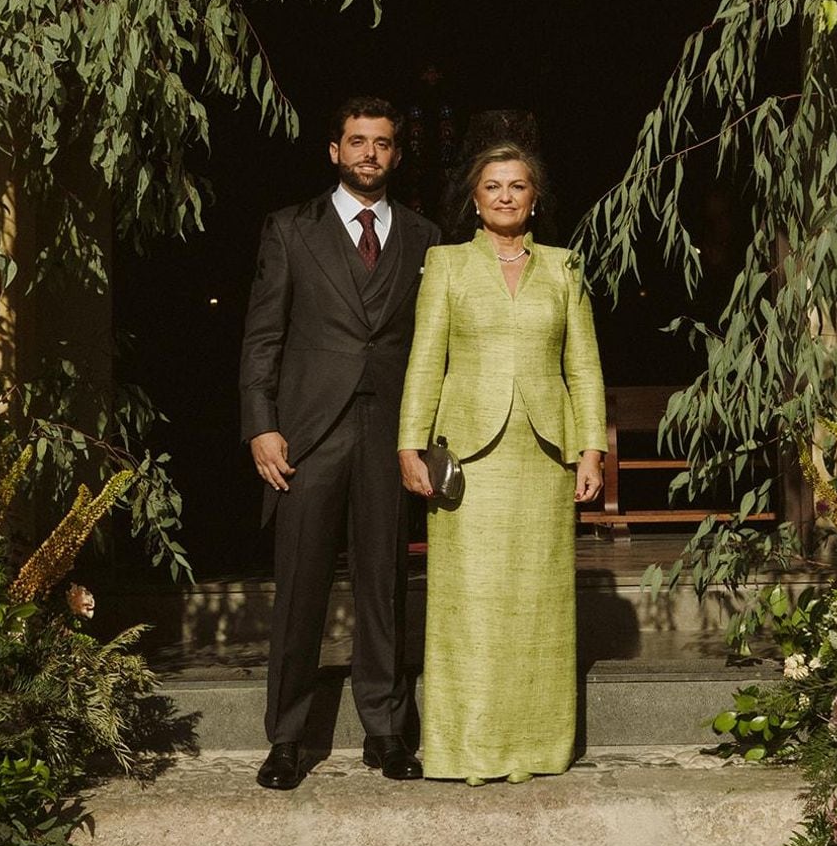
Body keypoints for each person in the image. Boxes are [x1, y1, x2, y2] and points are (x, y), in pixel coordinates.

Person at [240, 96, 440, 790]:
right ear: (335, 150)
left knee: (385, 584)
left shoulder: (424, 236)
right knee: (301, 588)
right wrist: (261, 424)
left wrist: (427, 435)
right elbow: (263, 336)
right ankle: (287, 738)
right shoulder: (290, 229)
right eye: (357, 141)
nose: (369, 153)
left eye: (382, 143)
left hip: (390, 432)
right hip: (307, 433)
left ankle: (386, 730)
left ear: (396, 154)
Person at [397, 140, 607, 784]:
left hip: (543, 458)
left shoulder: (565, 268)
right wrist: (409, 444)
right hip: (468, 457)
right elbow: (426, 361)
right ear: (475, 198)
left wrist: (592, 448)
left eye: (517, 185)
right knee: (469, 602)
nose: (506, 196)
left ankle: (538, 747)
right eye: (493, 186)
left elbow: (584, 367)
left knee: (540, 603)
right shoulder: (447, 264)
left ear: (534, 198)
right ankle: (465, 748)